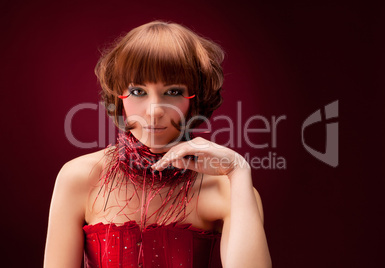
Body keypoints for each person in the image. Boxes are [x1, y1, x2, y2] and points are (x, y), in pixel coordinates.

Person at [44, 20, 272, 268]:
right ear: (119, 97)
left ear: (194, 99)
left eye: (173, 92)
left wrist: (238, 170)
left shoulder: (228, 190)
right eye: (138, 92)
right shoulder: (79, 177)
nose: (154, 111)